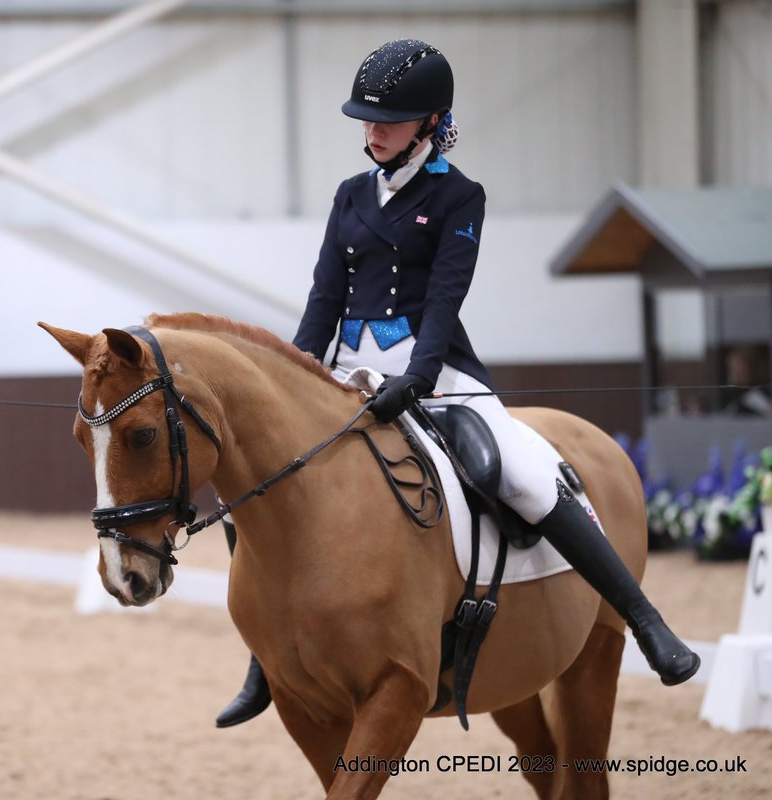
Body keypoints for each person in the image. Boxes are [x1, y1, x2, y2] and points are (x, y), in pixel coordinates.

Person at [215, 38, 701, 729]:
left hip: (434, 369)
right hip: (344, 369)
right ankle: (265, 662)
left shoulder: (457, 196)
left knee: (515, 470)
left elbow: (446, 299)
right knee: (257, 488)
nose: (371, 131)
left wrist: (415, 380)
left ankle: (647, 624)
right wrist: (292, 376)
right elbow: (325, 298)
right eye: (365, 120)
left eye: (387, 120)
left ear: (429, 121)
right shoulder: (351, 195)